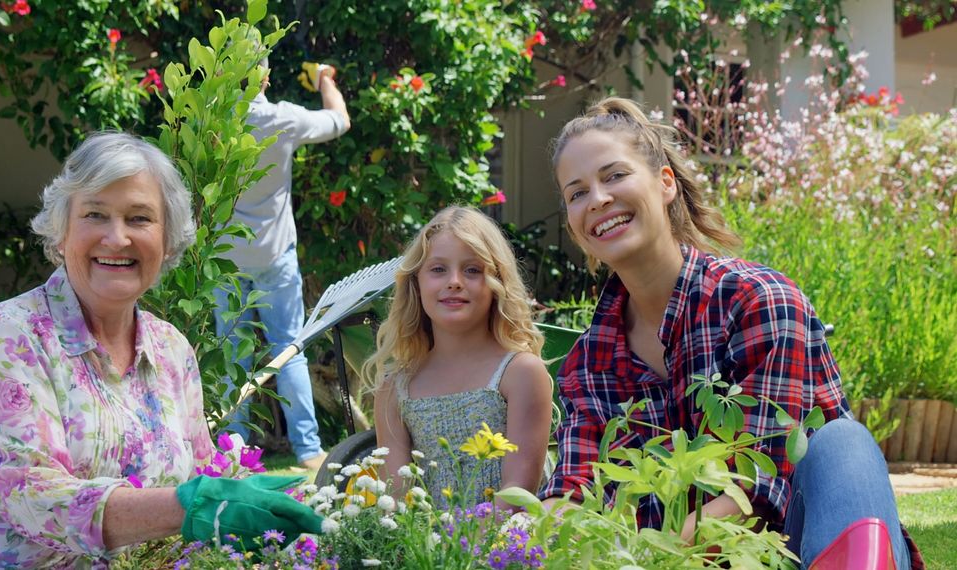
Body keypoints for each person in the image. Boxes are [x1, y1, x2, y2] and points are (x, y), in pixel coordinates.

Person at [0, 132, 321, 568]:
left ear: (167, 242)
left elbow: (203, 475)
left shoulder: (171, 350)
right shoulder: (8, 335)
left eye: (139, 218)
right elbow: (32, 498)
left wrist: (298, 504)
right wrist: (188, 508)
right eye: (95, 214)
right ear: (61, 233)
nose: (117, 238)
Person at [540, 96, 922, 569]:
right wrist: (544, 530)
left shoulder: (758, 301)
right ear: (576, 229)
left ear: (665, 185)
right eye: (576, 193)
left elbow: (755, 495)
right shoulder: (589, 360)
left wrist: (647, 558)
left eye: (615, 176)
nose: (597, 199)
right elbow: (570, 490)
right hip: (657, 562)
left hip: (790, 549)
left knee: (843, 443)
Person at [214, 58, 350, 471]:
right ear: (266, 77)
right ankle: (308, 450)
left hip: (225, 261)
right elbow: (339, 120)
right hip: (275, 259)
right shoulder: (281, 119)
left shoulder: (213, 121)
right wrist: (325, 77)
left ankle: (232, 451)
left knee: (230, 357)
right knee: (289, 351)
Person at [367, 206, 553, 506]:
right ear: (416, 283)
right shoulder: (394, 389)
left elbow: (518, 492)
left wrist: (467, 548)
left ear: (497, 283)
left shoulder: (519, 373)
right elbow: (397, 499)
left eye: (472, 270)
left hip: (506, 545)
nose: (454, 281)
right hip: (428, 549)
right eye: (438, 269)